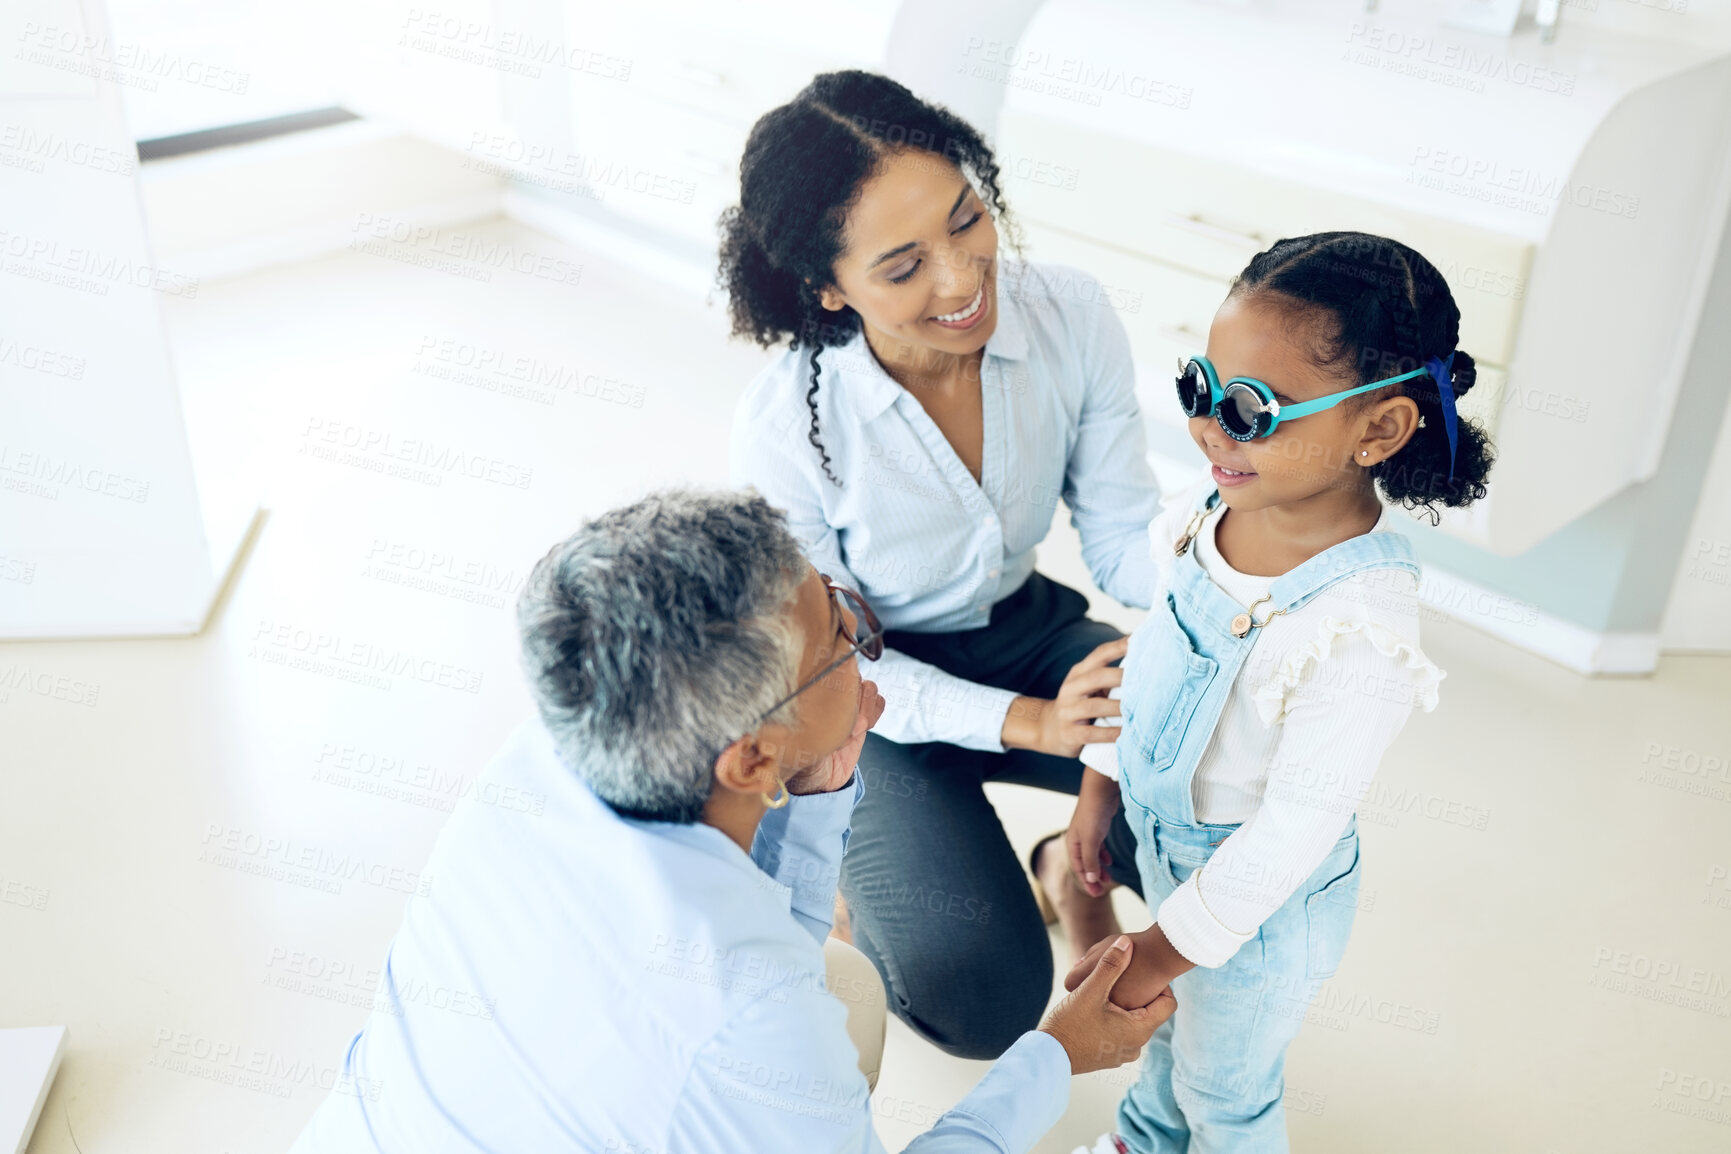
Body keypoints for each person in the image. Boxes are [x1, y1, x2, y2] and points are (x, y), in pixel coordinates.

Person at [288, 488, 1174, 1154]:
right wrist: (1058, 1054)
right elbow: (752, 983)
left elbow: (763, 944)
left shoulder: (530, 765)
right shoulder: (746, 1012)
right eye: (841, 635)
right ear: (750, 760)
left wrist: (825, 793)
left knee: (837, 986)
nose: (862, 641)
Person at [724, 70, 1162, 1062]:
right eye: (905, 264)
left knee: (1217, 781)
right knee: (977, 992)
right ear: (830, 288)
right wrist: (1036, 724)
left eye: (968, 221)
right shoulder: (784, 427)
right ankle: (844, 879)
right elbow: (829, 664)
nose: (963, 280)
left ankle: (1064, 864)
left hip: (1029, 630)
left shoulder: (1070, 315)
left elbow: (1125, 536)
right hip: (863, 697)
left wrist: (1217, 563)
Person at [1058, 232, 1495, 1154]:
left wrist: (1158, 950)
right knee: (1167, 1038)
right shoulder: (1201, 513)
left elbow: (1293, 830)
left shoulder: (1358, 627)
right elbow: (1150, 660)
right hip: (1170, 852)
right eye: (1199, 388)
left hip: (1262, 906)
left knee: (1226, 1088)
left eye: (1254, 408)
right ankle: (1143, 1139)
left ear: (1375, 430)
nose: (1213, 426)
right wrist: (1100, 785)